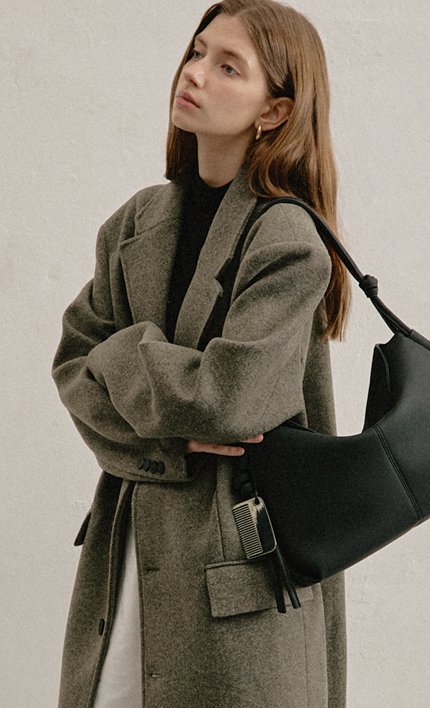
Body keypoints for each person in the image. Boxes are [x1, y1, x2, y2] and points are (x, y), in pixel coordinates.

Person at [52, 0, 351, 706]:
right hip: (127, 558)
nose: (193, 73)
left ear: (275, 111)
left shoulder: (286, 238)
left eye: (227, 67)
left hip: (237, 582)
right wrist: (172, 433)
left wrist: (123, 358)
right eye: (196, 52)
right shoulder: (134, 223)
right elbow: (73, 369)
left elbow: (230, 399)